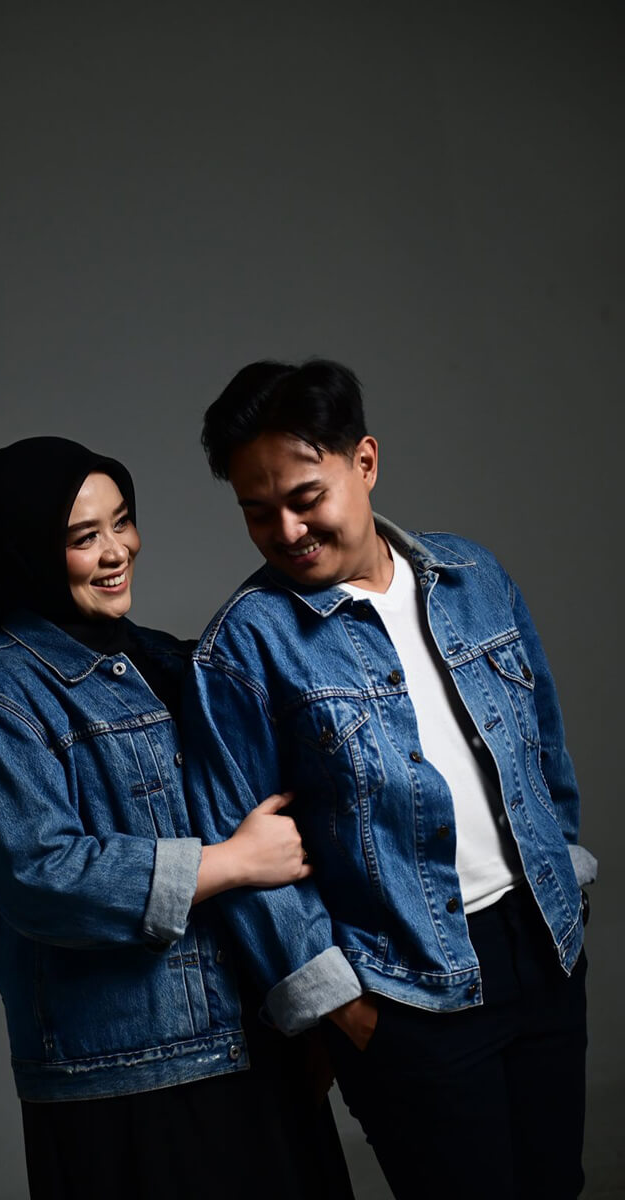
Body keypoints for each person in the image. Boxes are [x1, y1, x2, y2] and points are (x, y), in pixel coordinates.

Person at [182, 359, 597, 1200]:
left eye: (306, 497)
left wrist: (569, 879)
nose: (286, 529)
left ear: (364, 462)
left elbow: (543, 750)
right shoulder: (246, 647)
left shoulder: (474, 578)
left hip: (544, 952)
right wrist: (346, 1011)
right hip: (407, 992)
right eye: (257, 511)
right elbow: (246, 856)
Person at [0, 436, 355, 1200]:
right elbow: (41, 876)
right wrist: (233, 861)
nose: (116, 551)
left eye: (122, 521)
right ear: (24, 551)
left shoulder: (165, 662)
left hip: (251, 1042)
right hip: (130, 1076)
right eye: (82, 537)